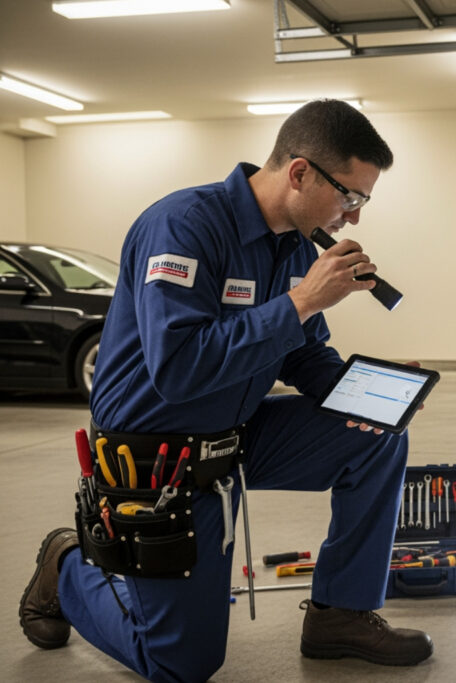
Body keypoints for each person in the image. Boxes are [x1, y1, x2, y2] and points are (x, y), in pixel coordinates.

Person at [18, 99, 432, 681]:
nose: (354, 217)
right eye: (351, 196)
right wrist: (300, 301)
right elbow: (179, 370)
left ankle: (340, 613)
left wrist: (359, 391)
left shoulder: (292, 245)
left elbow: (303, 351)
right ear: (300, 172)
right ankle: (65, 565)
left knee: (376, 438)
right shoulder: (185, 225)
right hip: (156, 452)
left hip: (233, 434)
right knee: (181, 663)